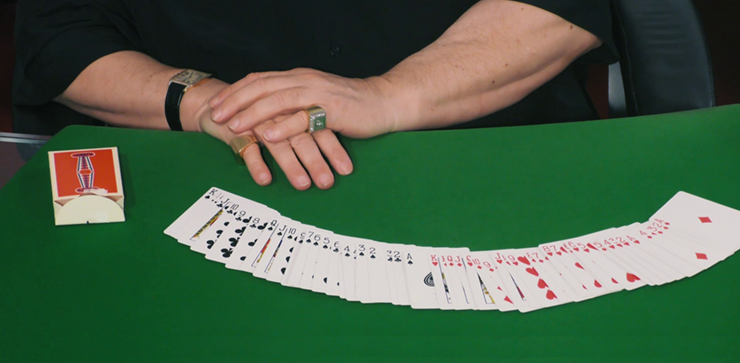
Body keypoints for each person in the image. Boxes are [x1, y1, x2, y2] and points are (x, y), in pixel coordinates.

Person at [13, 0, 616, 190]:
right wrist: (214, 105)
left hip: (491, 160)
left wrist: (387, 96)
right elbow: (59, 34)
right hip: (208, 168)